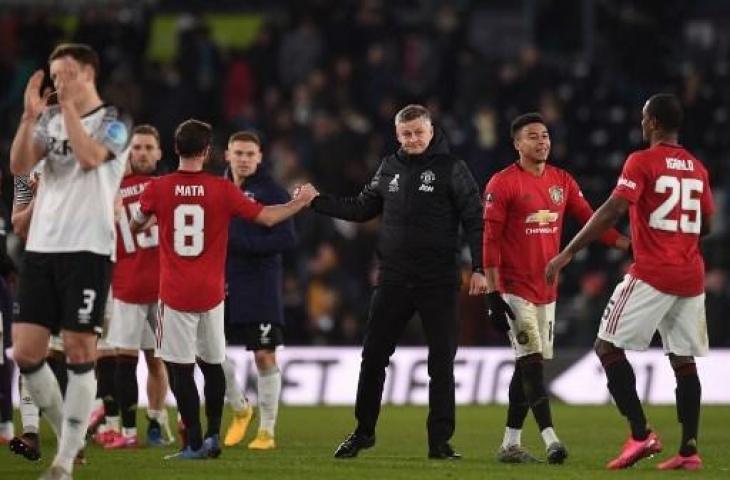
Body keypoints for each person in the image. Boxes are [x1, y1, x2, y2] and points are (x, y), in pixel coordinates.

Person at [307, 104, 487, 459]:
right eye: (406, 134)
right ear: (397, 135)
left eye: (419, 132)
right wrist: (316, 202)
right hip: (393, 279)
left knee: (441, 363)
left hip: (438, 280)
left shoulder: (453, 168)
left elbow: (475, 220)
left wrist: (480, 268)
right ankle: (363, 432)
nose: (413, 139)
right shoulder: (389, 167)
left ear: (431, 130)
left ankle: (439, 442)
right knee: (373, 356)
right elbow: (361, 209)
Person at [129, 119, 316, 460]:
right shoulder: (222, 189)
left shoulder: (158, 188)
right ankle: (214, 436)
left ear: (175, 148)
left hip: (174, 295)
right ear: (208, 152)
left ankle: (195, 442)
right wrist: (298, 203)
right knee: (213, 364)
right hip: (213, 294)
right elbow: (268, 219)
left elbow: (136, 223)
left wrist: (151, 219)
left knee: (180, 368)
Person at [545, 93, 714, 471]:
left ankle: (641, 434)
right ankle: (689, 450)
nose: (641, 124)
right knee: (683, 361)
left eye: (643, 118)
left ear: (652, 122)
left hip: (654, 271)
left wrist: (568, 251)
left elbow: (612, 210)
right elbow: (708, 225)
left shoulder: (642, 161)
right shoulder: (698, 168)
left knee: (606, 346)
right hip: (690, 274)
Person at [9, 43, 131, 479]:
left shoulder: (116, 122)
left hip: (87, 251)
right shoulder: (49, 121)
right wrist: (28, 119)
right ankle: (69, 437)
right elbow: (20, 166)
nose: (57, 85)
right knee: (26, 352)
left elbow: (89, 157)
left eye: (64, 76)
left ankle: (63, 464)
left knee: (80, 352)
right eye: (53, 77)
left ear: (87, 75)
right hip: (41, 249)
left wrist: (69, 116)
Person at [483, 112, 630, 464]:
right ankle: (551, 439)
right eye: (532, 136)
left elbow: (591, 221)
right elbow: (489, 239)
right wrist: (492, 292)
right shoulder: (502, 184)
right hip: (514, 287)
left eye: (545, 135)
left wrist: (624, 244)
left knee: (527, 365)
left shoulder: (561, 180)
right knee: (532, 362)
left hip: (546, 290)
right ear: (517, 144)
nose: (542, 141)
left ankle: (509, 444)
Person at [221, 131, 298, 450]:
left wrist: (243, 245)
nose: (243, 159)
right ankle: (240, 407)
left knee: (264, 355)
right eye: (238, 153)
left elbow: (287, 239)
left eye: (250, 154)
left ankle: (267, 430)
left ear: (260, 157)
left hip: (260, 284)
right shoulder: (217, 188)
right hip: (220, 281)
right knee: (207, 351)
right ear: (227, 155)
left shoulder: (271, 191)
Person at [98, 124, 173, 449]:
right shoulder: (110, 190)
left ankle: (156, 420)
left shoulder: (168, 188)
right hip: (124, 287)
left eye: (148, 147)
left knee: (157, 361)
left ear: (159, 153)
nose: (142, 152)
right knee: (120, 359)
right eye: (137, 147)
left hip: (162, 291)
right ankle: (119, 426)